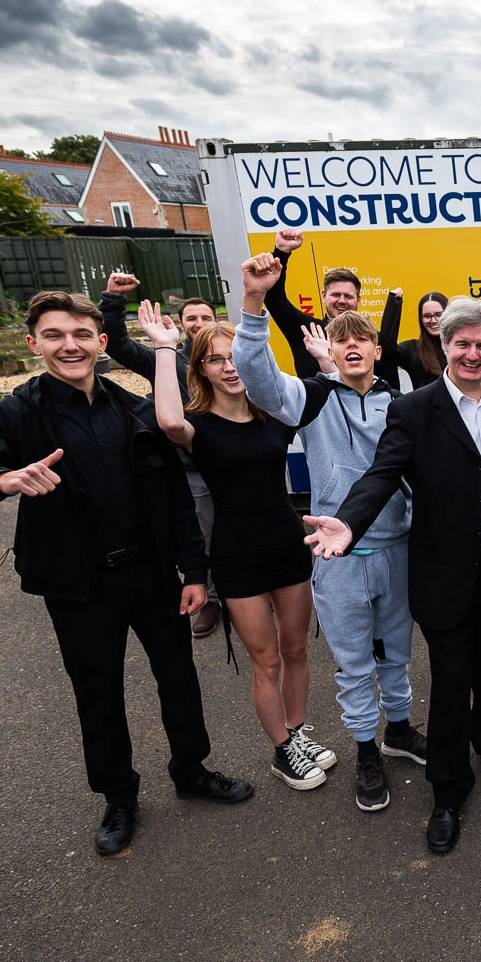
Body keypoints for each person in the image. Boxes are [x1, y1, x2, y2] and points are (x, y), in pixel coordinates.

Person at [0, 291, 252, 857]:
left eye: (81, 335)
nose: (69, 345)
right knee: (96, 692)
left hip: (153, 575)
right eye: (54, 336)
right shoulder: (14, 414)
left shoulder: (133, 410)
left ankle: (191, 769)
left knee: (178, 677)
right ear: (35, 345)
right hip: (78, 585)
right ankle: (118, 797)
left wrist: (195, 571)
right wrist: (4, 480)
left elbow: (176, 497)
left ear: (102, 343)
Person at [304, 298, 481, 854]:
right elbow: (383, 472)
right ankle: (448, 788)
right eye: (462, 343)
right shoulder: (415, 409)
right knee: (453, 679)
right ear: (444, 347)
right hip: (445, 573)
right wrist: (349, 523)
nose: (473, 354)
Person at [231, 253, 428, 816]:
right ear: (333, 353)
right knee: (353, 662)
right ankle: (366, 750)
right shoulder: (312, 400)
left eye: (361, 340)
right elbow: (257, 376)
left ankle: (399, 730)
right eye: (341, 342)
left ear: (374, 348)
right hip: (338, 559)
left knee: (397, 653)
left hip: (396, 549)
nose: (352, 347)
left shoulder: (400, 403)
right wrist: (253, 305)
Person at [140, 302, 327, 793]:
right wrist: (164, 349)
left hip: (287, 543)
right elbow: (165, 419)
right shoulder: (197, 426)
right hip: (237, 552)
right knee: (265, 660)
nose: (229, 367)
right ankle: (283, 748)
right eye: (215, 359)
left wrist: (324, 360)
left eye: (235, 357)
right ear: (200, 369)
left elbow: (325, 393)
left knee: (296, 650)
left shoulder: (275, 415)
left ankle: (300, 732)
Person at [98, 274, 225, 639]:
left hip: (228, 461)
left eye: (205, 317)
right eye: (191, 318)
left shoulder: (228, 357)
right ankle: (213, 598)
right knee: (203, 533)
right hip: (190, 466)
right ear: (182, 324)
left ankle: (248, 591)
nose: (198, 323)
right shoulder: (164, 360)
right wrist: (113, 300)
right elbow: (119, 345)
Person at [259, 228, 401, 383]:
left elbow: (390, 389)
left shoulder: (371, 339)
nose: (341, 300)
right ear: (324, 296)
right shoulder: (307, 330)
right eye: (335, 295)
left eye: (348, 296)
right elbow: (274, 300)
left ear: (358, 301)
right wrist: (282, 252)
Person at [387, 290, 447, 390]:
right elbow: (387, 350)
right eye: (427, 316)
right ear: (421, 319)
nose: (433, 320)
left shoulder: (461, 346)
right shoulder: (412, 349)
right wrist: (394, 303)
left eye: (439, 314)